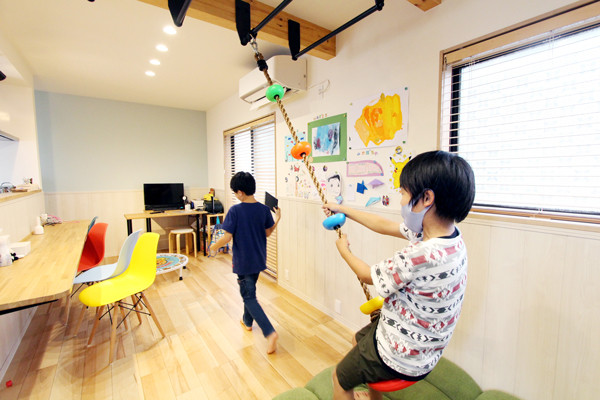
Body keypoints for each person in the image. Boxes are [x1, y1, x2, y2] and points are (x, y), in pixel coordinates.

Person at [323, 150, 475, 400]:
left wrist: (344, 251)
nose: (401, 201)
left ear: (426, 198)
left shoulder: (420, 254)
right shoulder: (452, 241)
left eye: (403, 193)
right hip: (425, 350)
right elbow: (383, 225)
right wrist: (343, 209)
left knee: (339, 379)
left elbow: (366, 275)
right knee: (357, 340)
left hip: (400, 355)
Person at [209, 171, 282, 354]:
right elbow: (267, 233)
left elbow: (227, 237)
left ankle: (270, 332)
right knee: (250, 290)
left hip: (243, 262)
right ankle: (247, 321)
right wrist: (277, 219)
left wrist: (213, 247)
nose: (235, 195)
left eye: (235, 192)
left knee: (248, 296)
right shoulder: (264, 210)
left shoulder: (235, 211)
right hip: (259, 259)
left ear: (240, 192)